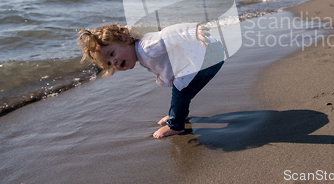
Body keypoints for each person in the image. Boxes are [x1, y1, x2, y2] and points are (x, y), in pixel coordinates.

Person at [77, 22, 224, 139]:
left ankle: (176, 124)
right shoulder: (142, 54)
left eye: (112, 53)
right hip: (207, 53)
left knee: (180, 91)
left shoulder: (147, 47)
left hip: (208, 54)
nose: (114, 62)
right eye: (109, 63)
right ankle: (179, 114)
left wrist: (194, 31)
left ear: (125, 39)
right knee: (181, 90)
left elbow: (168, 34)